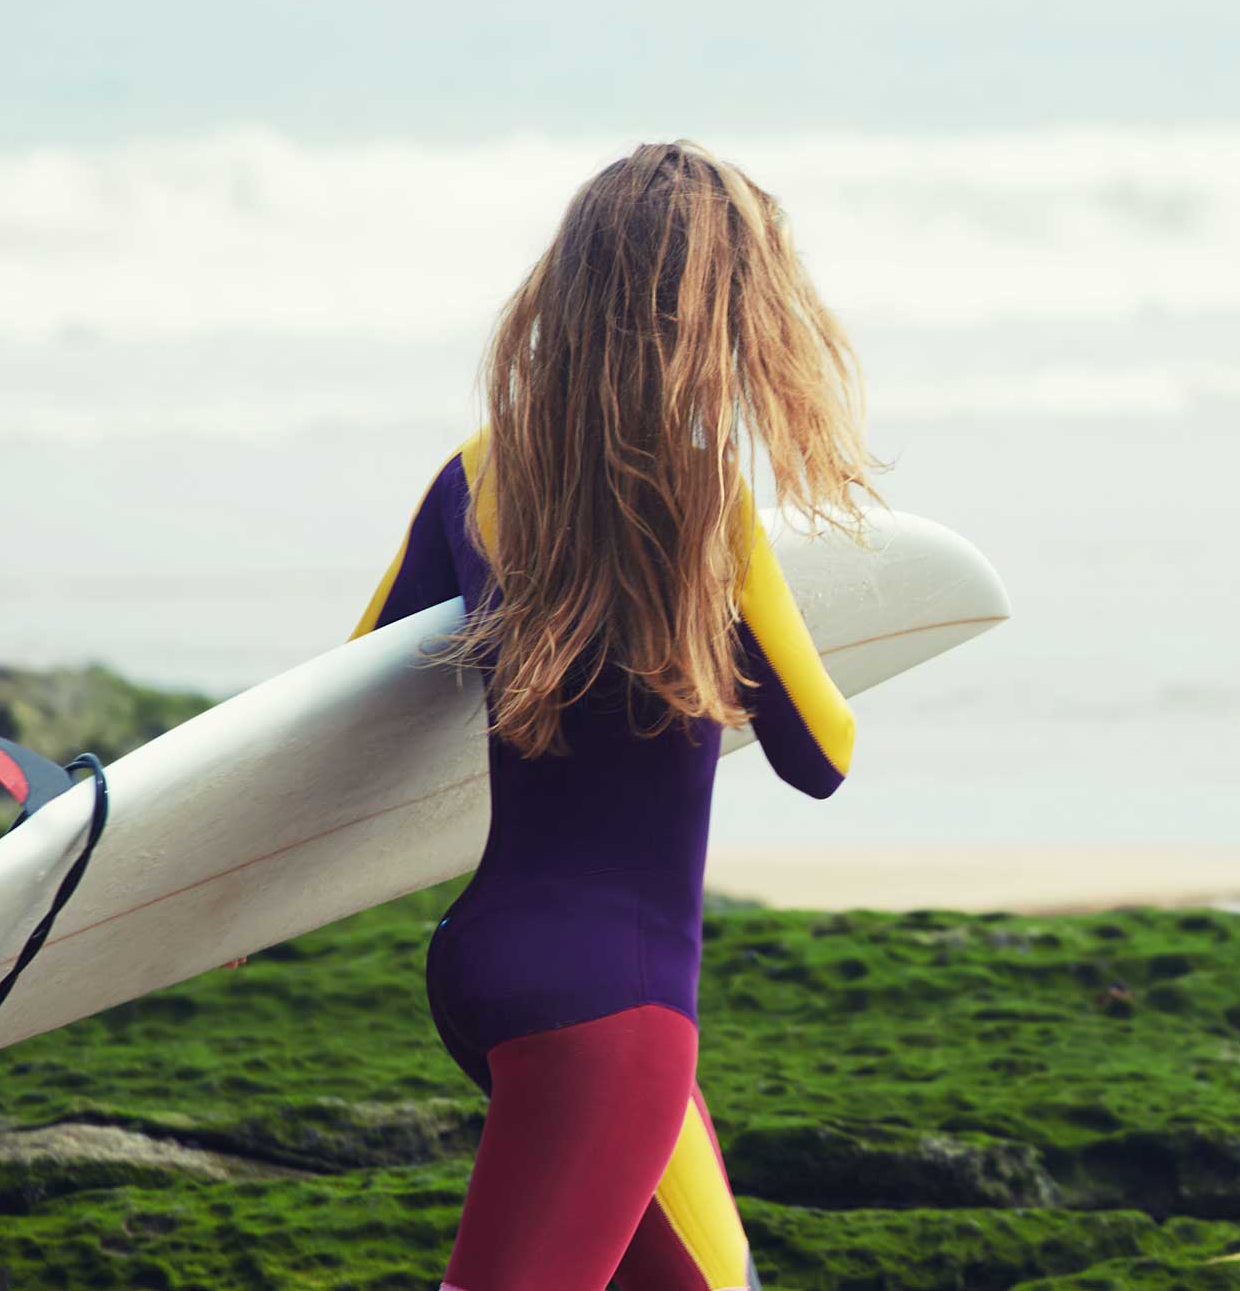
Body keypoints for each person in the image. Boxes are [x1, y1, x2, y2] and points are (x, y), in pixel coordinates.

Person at [346, 141, 873, 1291]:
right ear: (727, 312)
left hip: (482, 963)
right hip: (611, 1010)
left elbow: (349, 699)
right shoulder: (707, 508)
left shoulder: (472, 474)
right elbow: (819, 752)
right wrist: (748, 618)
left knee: (711, 1280)